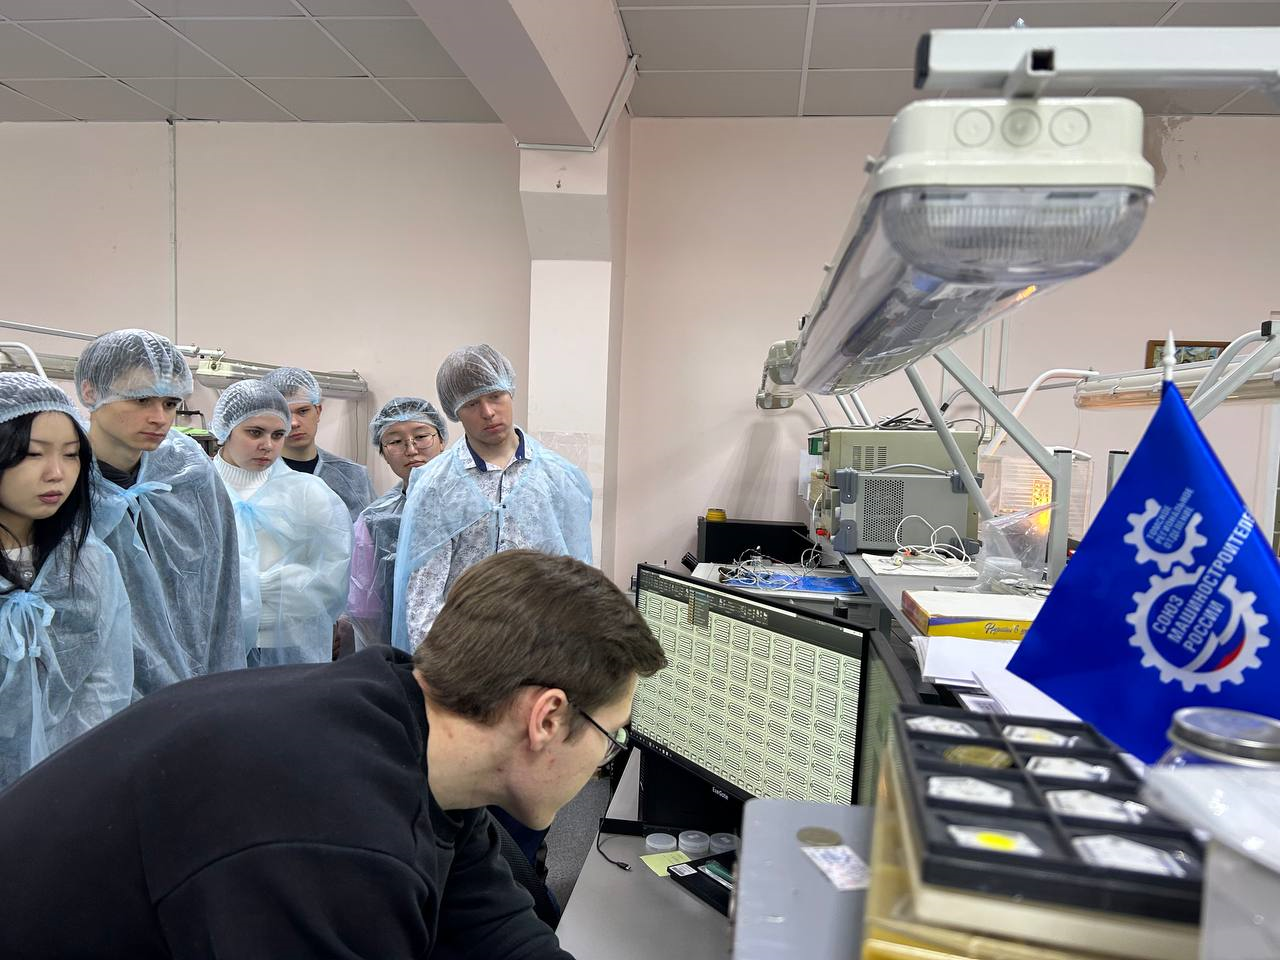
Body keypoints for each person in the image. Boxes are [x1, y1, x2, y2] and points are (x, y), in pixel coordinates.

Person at [0, 550, 666, 958]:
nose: (604, 760)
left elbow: (493, 932)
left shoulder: (411, 730)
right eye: (610, 736)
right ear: (547, 717)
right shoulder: (340, 839)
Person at [393, 345, 592, 651]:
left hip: (542, 653)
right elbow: (423, 595)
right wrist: (446, 667)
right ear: (454, 411)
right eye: (472, 403)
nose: (487, 412)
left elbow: (576, 578)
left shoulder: (559, 477)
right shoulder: (436, 485)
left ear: (510, 391)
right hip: (463, 653)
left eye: (495, 396)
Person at [77, 329, 243, 695]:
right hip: (98, 693)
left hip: (193, 684)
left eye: (169, 403)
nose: (159, 418)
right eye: (141, 400)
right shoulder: (58, 480)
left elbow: (222, 585)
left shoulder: (189, 472)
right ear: (90, 392)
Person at [0, 374, 133, 789]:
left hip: (65, 781)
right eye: (31, 454)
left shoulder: (87, 559)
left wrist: (78, 773)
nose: (57, 473)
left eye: (72, 454)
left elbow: (105, 677)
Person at [211, 380, 352, 667]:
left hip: (292, 646)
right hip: (216, 643)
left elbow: (332, 581)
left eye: (278, 435)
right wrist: (281, 586)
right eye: (255, 432)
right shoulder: (198, 491)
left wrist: (249, 592)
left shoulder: (309, 492)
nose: (268, 445)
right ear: (225, 429)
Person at [346, 396, 448, 651]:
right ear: (383, 452)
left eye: (421, 436)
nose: (411, 449)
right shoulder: (374, 520)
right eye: (395, 442)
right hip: (397, 654)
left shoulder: (473, 506)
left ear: (442, 441)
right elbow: (364, 611)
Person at [260, 366, 375, 520]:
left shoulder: (353, 476)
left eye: (303, 411)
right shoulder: (256, 476)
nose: (294, 423)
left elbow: (371, 530)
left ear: (318, 411)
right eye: (284, 414)